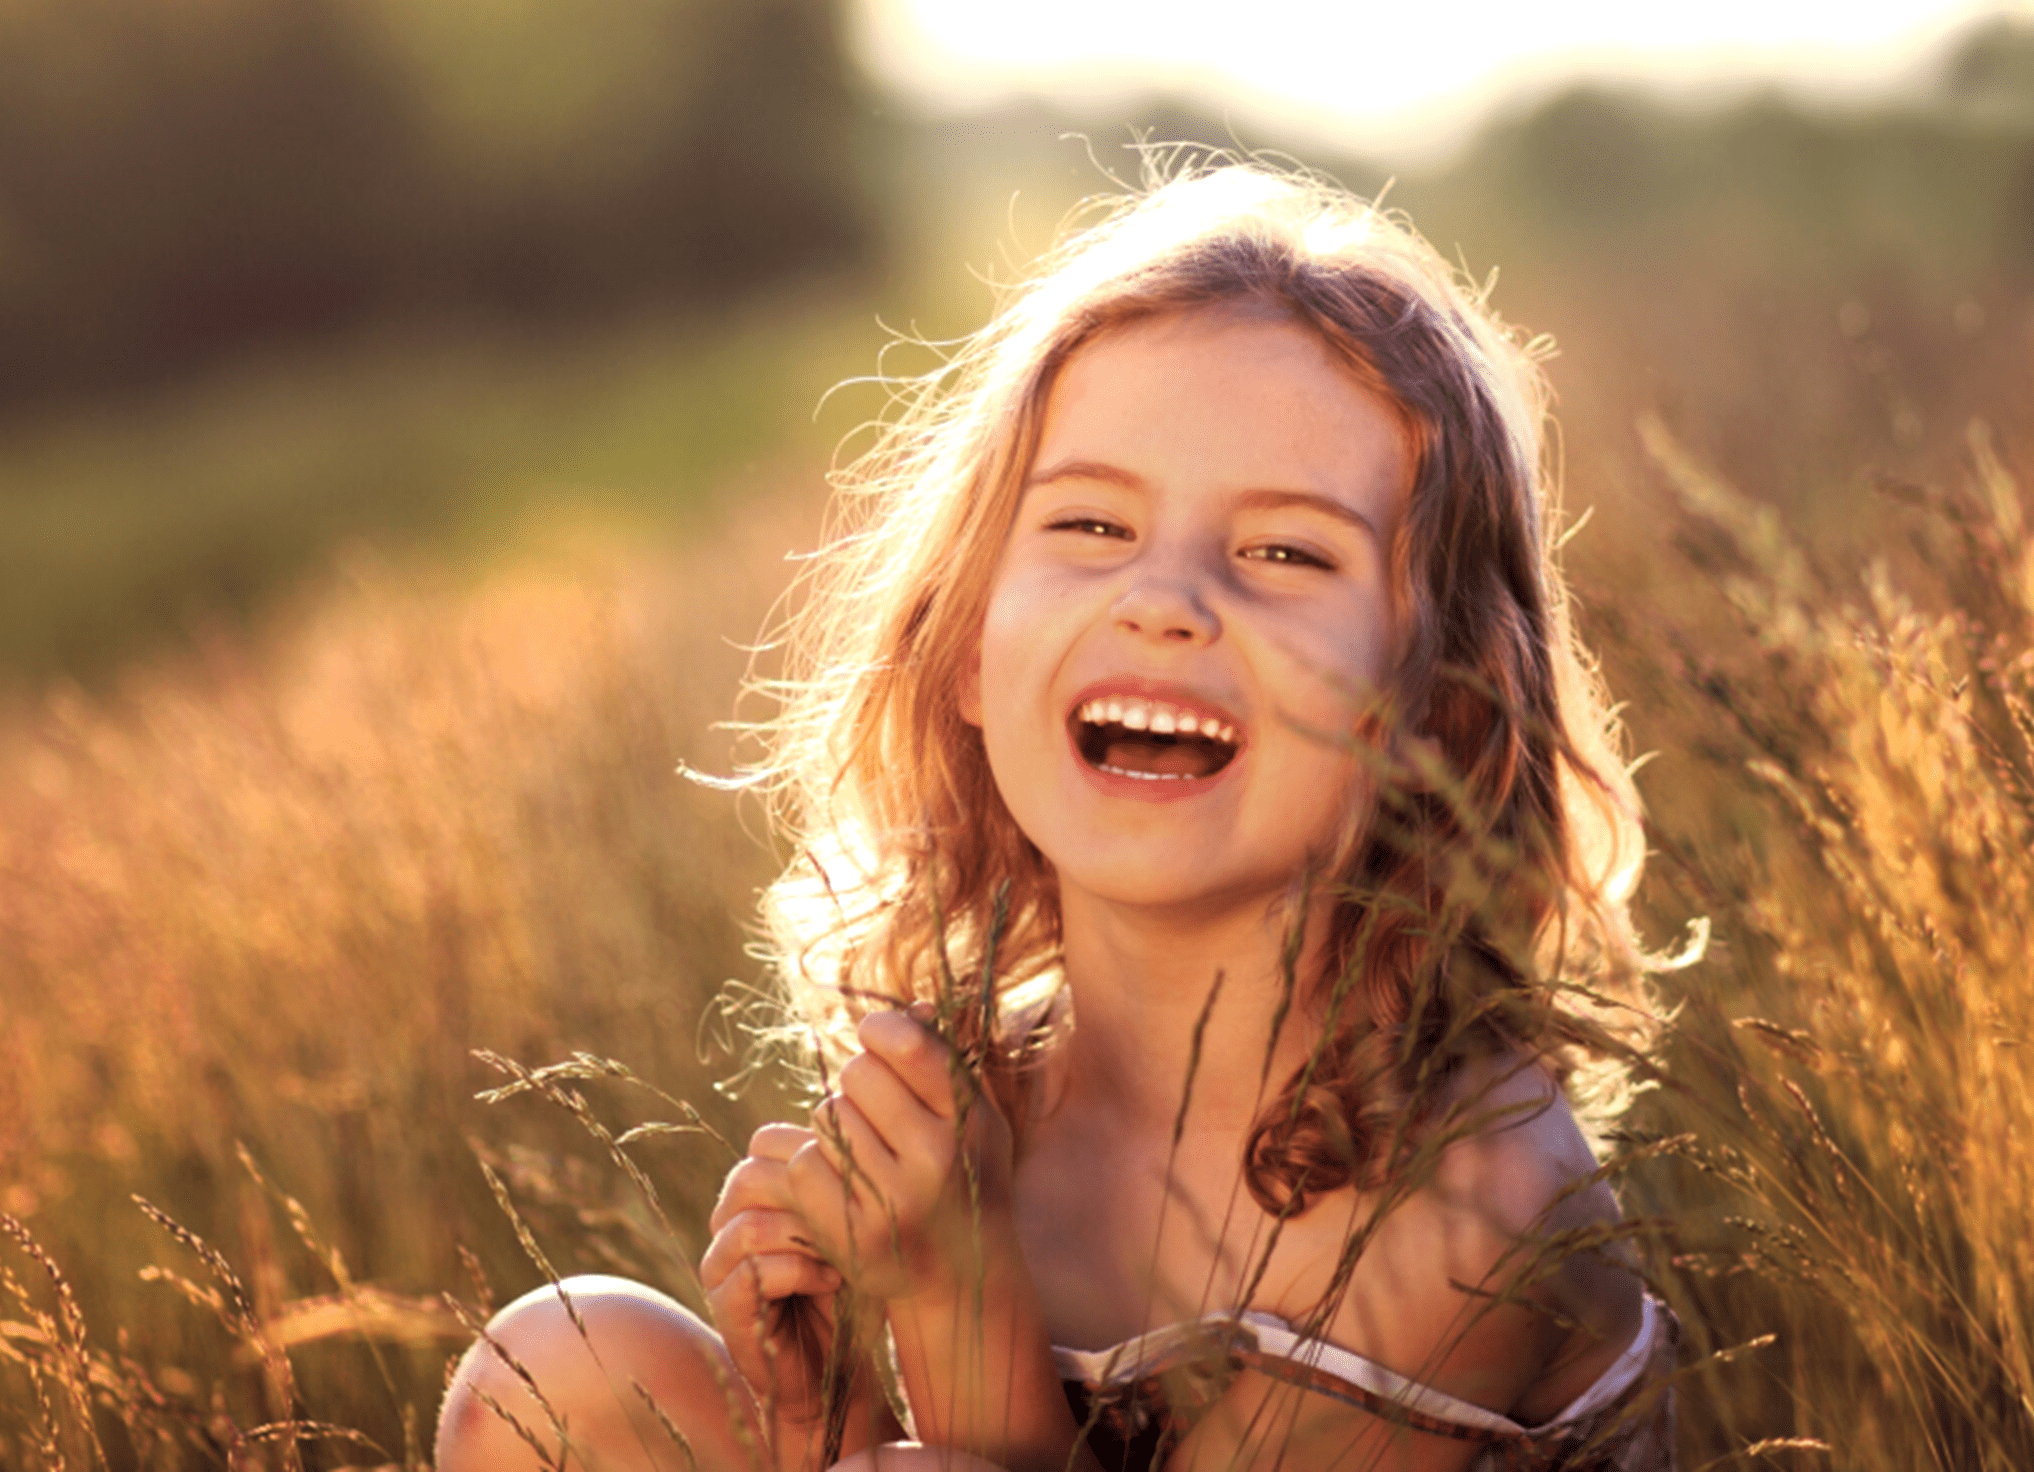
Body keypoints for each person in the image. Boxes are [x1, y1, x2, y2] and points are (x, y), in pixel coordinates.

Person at [436, 162, 1676, 1471]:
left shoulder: (1473, 1205)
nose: (1164, 596)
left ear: (1447, 713)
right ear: (966, 646)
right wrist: (825, 1416)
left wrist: (955, 1292)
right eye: (1091, 523)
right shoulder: (989, 1099)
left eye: (1286, 552)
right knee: (571, 1366)